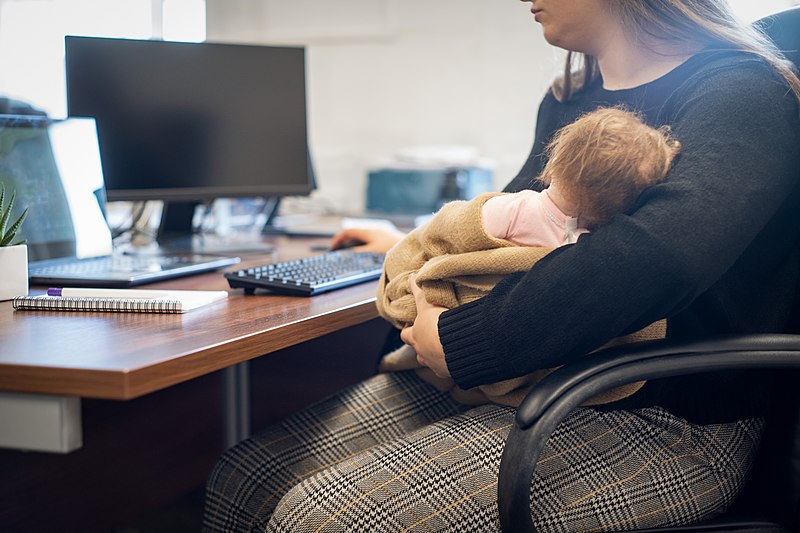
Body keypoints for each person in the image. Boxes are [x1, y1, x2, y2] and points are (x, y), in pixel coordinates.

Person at [203, 1, 800, 531]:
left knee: (320, 519)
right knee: (243, 480)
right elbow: (522, 217)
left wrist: (465, 341)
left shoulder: (744, 95)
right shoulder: (572, 97)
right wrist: (421, 248)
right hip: (523, 380)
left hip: (665, 421)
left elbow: (657, 256)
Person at [377, 107, 679, 407]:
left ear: (554, 166)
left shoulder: (516, 209)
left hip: (475, 333)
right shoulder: (589, 246)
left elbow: (449, 229)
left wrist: (418, 255)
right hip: (489, 343)